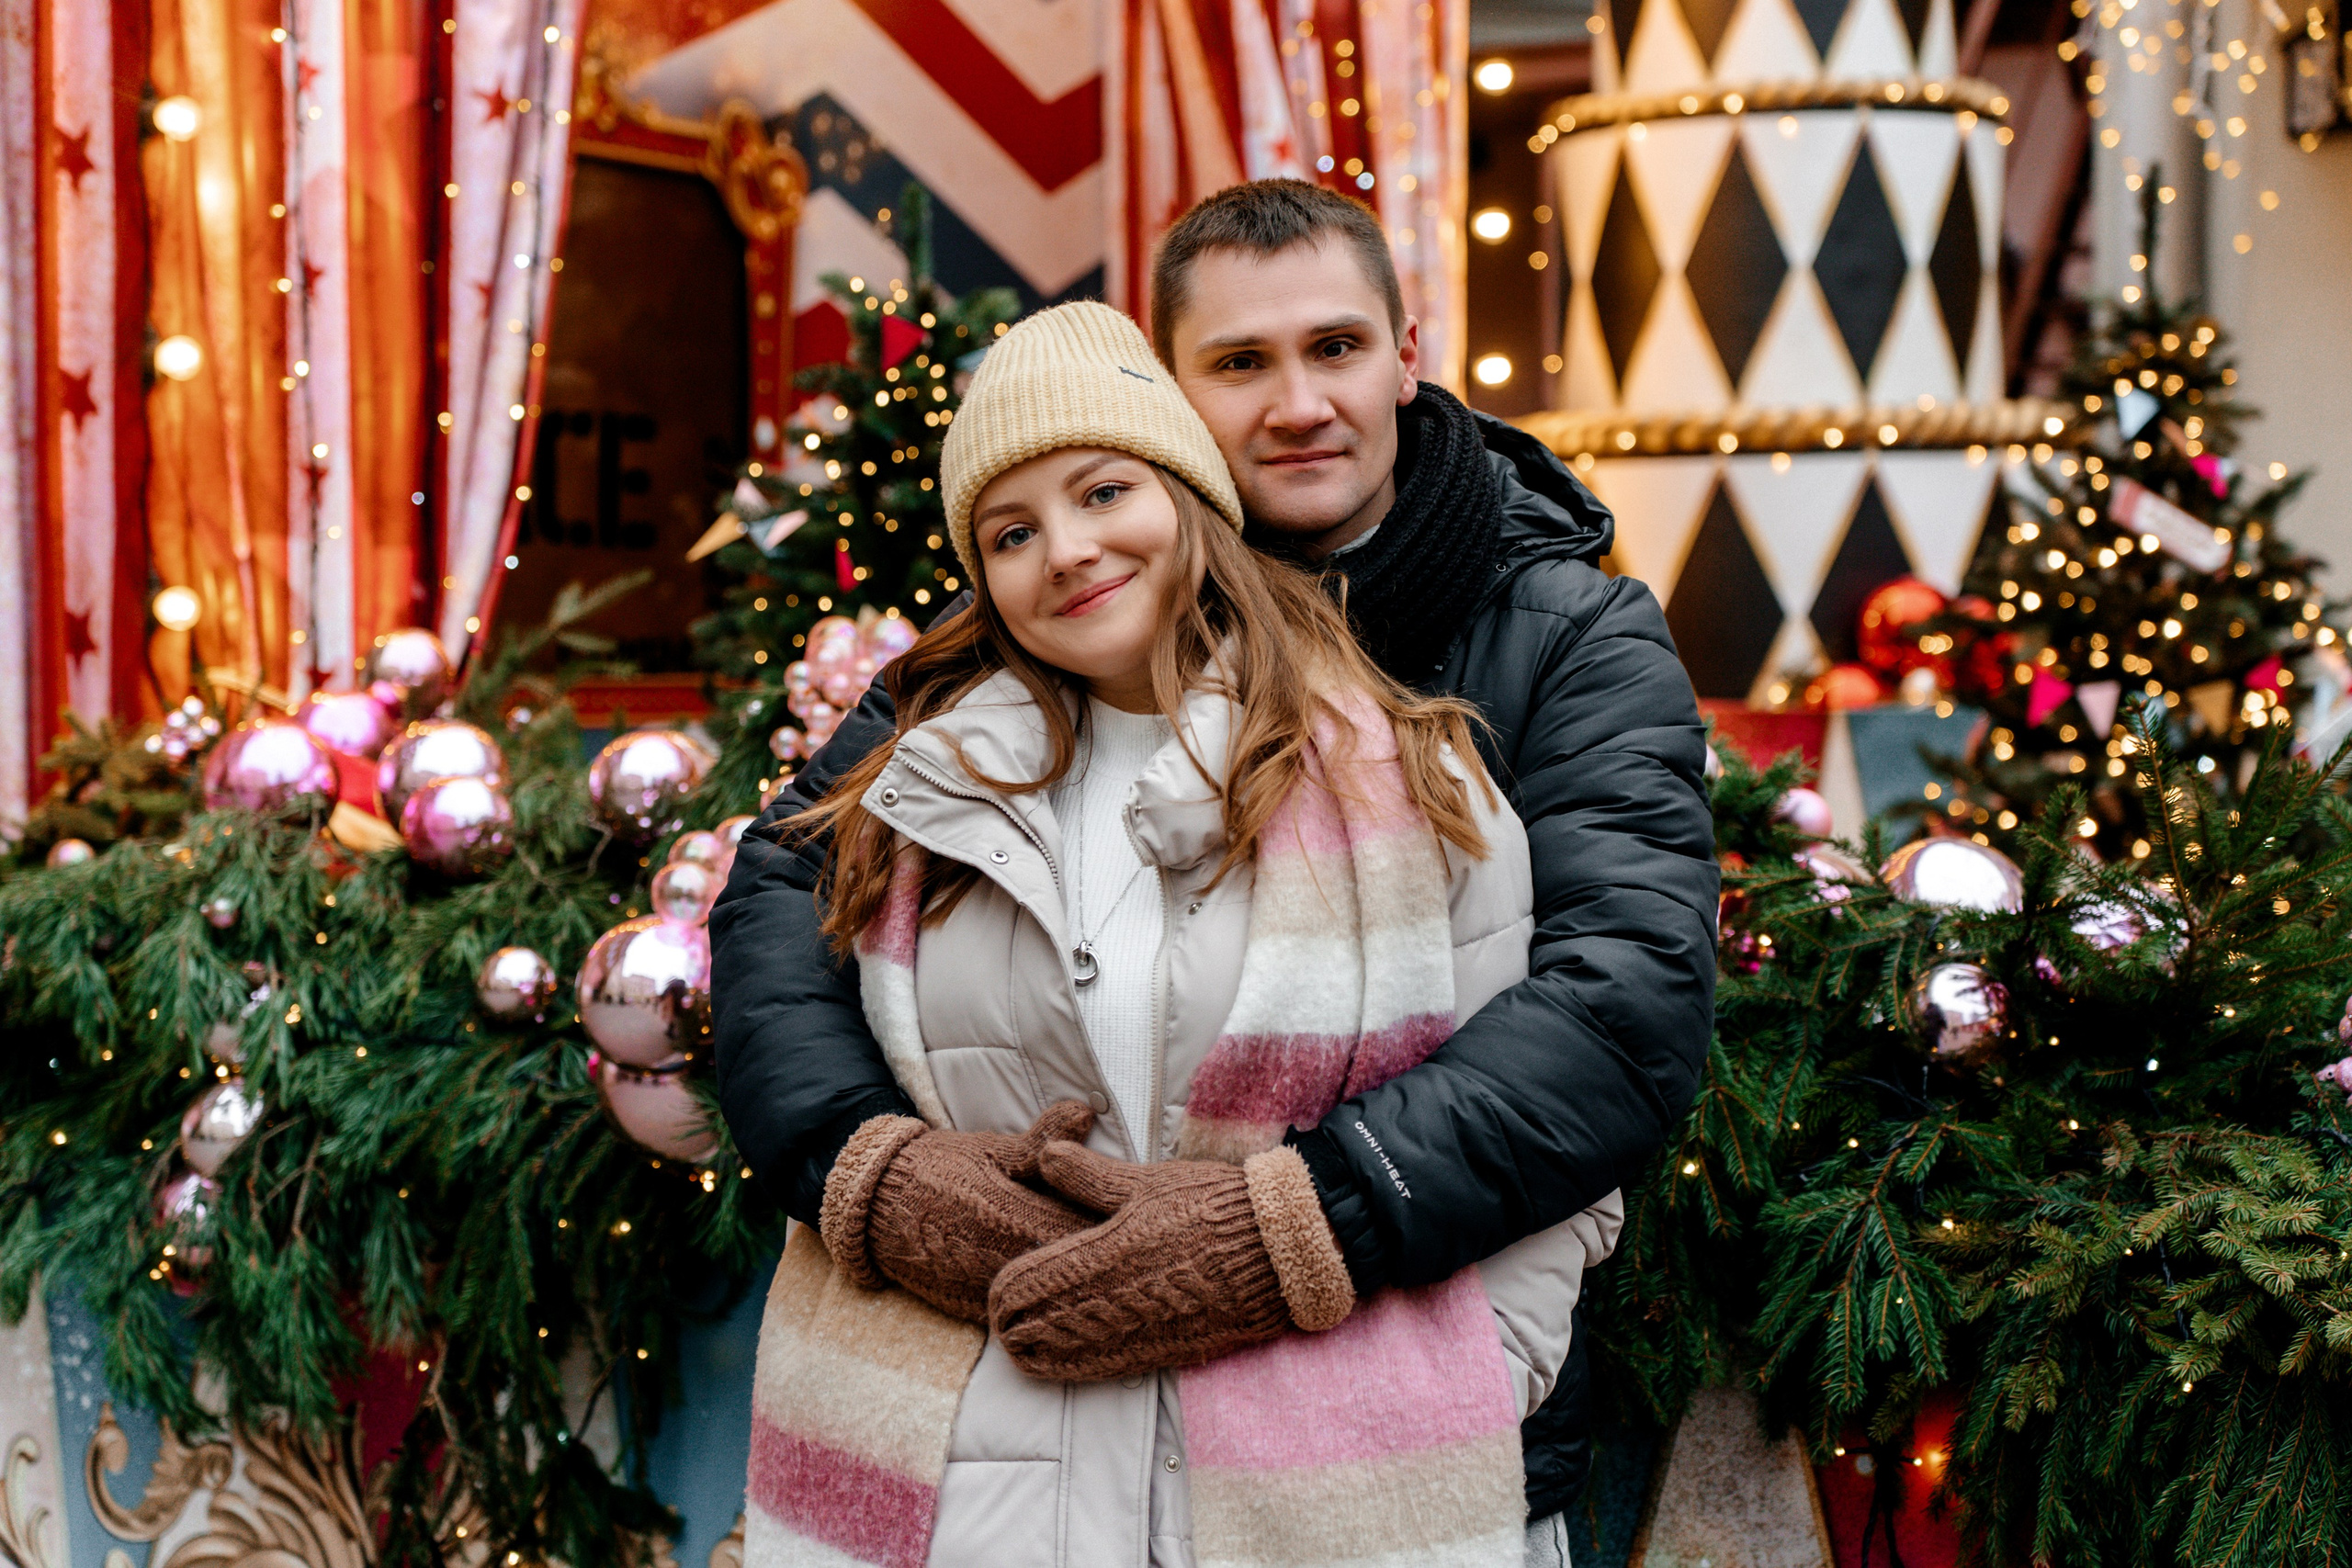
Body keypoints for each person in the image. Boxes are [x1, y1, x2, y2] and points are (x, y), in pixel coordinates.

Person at [718, 180, 1718, 1559]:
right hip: (1040, 1458)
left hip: (1377, 1433)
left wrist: (1311, 1229)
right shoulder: (1071, 601)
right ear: (1175, 401)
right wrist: (860, 1167)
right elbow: (788, 877)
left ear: (1406, 354)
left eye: (1336, 348)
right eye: (1241, 364)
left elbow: (1619, 1000)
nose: (1299, 403)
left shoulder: (1557, 631)